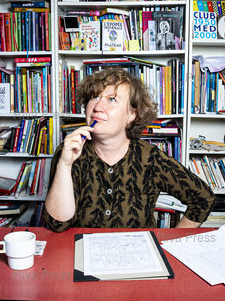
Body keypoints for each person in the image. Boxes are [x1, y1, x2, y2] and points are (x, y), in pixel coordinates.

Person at [43, 68, 215, 232]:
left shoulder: (150, 157)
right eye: (95, 97)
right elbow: (57, 224)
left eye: (112, 99)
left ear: (132, 114)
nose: (97, 107)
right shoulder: (68, 150)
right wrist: (64, 164)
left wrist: (171, 243)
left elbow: (203, 199)